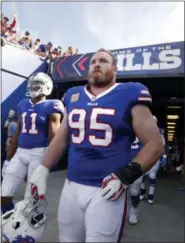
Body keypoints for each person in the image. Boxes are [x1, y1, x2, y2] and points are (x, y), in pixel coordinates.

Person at [29, 49, 164, 242]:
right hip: (71, 185)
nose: (97, 64)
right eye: (93, 62)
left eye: (104, 61)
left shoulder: (130, 92)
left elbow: (155, 143)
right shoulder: (73, 96)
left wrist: (128, 173)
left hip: (108, 187)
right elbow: (61, 138)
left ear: (115, 69)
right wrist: (43, 168)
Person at [1, 72, 64, 215]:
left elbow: (55, 135)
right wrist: (8, 159)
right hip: (20, 152)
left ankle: (27, 230)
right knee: (3, 194)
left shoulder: (53, 104)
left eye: (38, 85)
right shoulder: (23, 103)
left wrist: (48, 163)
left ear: (47, 87)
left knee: (31, 200)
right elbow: (17, 134)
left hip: (39, 153)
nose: (34, 88)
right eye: (33, 84)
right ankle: (10, 222)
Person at [140, 116, 167, 204]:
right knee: (141, 175)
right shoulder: (142, 130)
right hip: (144, 155)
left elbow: (162, 144)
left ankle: (151, 195)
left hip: (154, 156)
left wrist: (164, 156)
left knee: (152, 175)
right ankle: (143, 191)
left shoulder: (159, 131)